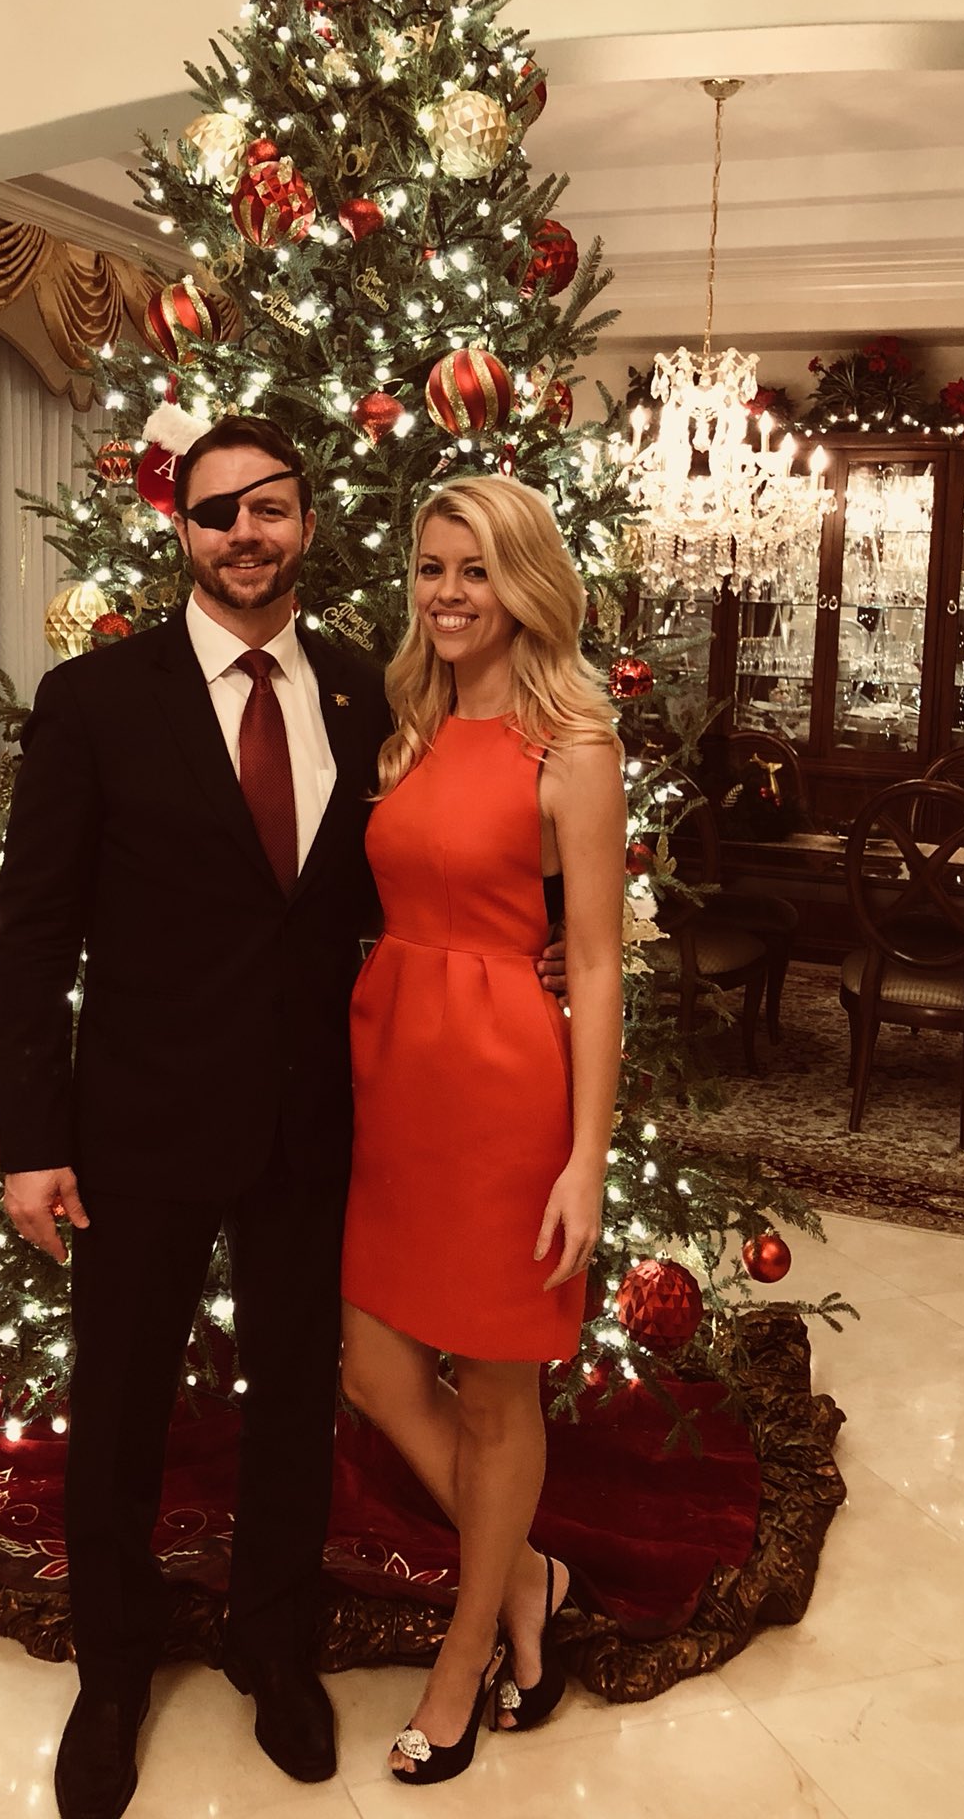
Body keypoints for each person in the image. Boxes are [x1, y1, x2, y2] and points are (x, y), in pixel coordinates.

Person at [0, 417, 563, 1819]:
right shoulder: (94, 698)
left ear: (308, 523)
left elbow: (424, 875)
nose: (244, 534)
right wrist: (34, 1140)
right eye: (216, 512)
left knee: (298, 1402)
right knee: (120, 1404)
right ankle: (112, 1672)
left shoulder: (374, 697)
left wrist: (532, 950)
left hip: (320, 1122)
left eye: (270, 508)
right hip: (138, 1125)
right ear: (180, 531)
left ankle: (273, 1645)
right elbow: (34, 935)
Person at [340, 474, 626, 1784]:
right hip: (396, 1076)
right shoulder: (405, 725)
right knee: (374, 1370)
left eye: (478, 569)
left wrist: (585, 1159)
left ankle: (467, 1659)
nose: (451, 594)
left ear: (525, 584)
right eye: (432, 568)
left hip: (509, 1085)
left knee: (501, 1389)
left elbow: (600, 964)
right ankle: (529, 1576)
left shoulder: (572, 747)